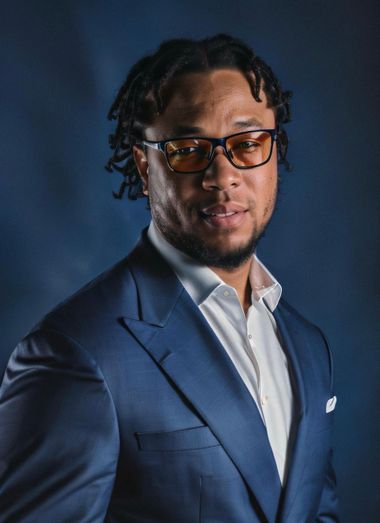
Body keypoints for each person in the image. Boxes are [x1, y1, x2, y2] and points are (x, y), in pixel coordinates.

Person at [0, 34, 339, 522]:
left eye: (247, 144)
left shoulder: (309, 347)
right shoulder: (75, 353)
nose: (223, 175)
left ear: (274, 154)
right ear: (144, 166)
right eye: (187, 149)